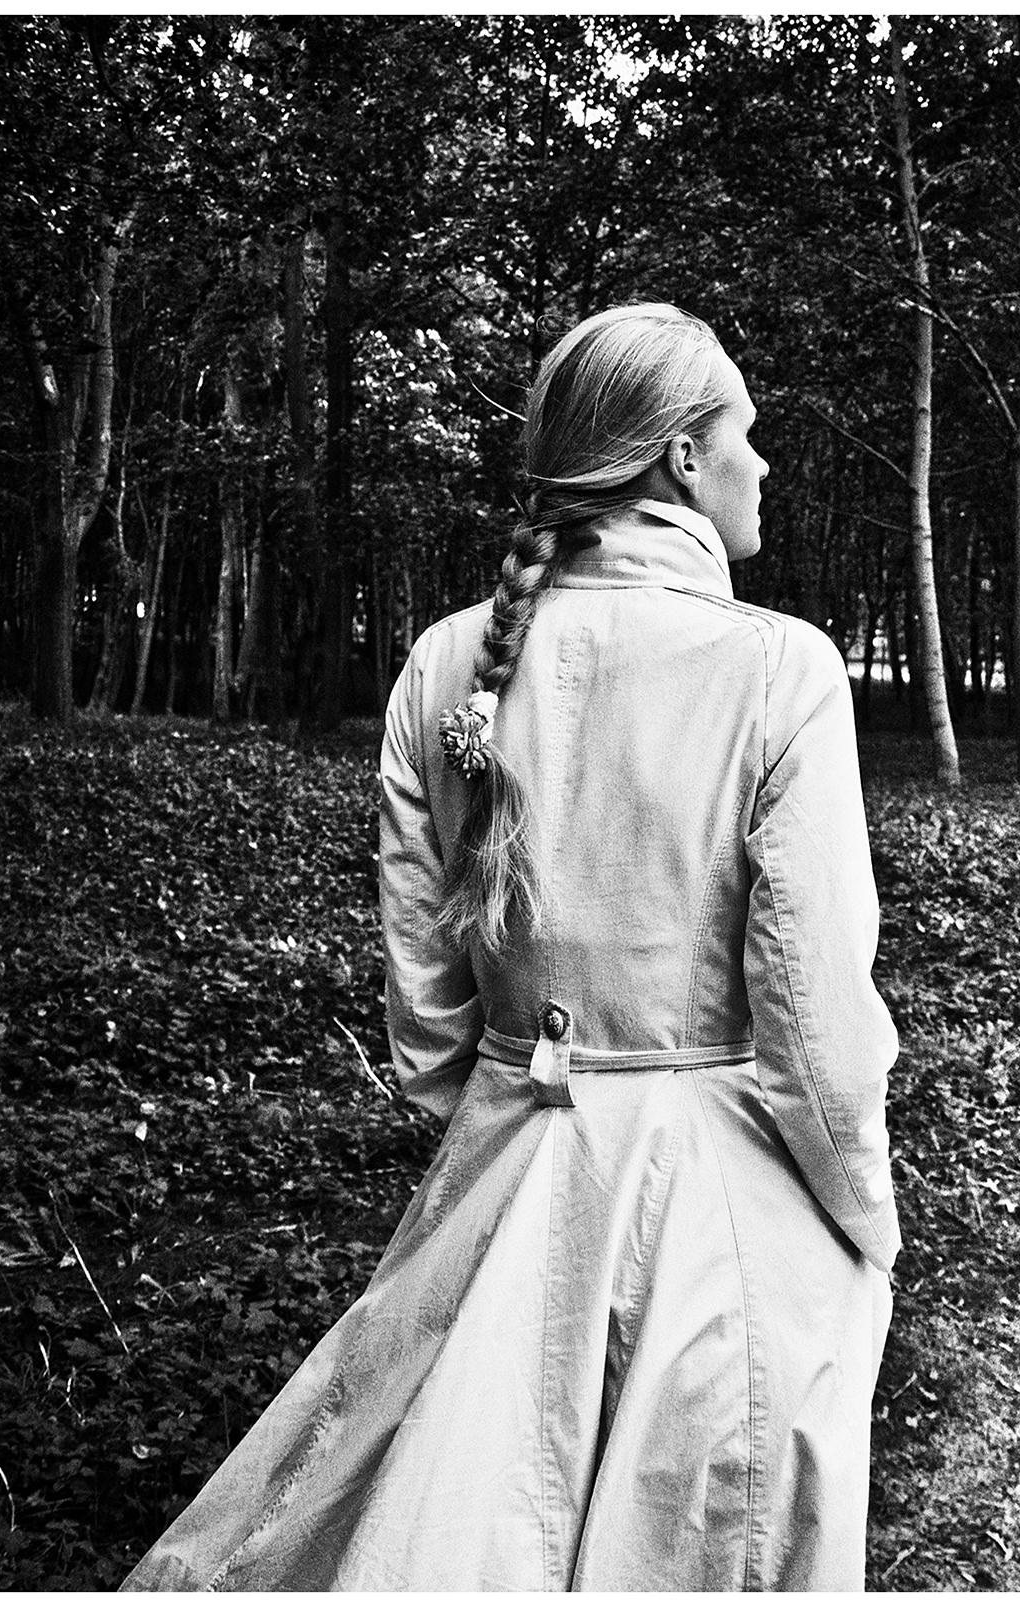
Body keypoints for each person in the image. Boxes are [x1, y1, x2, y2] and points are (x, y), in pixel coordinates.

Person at [124, 304, 901, 1591]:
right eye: (748, 435)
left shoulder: (444, 665)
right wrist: (862, 1213)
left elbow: (427, 997)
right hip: (722, 1209)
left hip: (501, 1161)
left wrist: (499, 1141)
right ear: (683, 460)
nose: (764, 465)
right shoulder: (780, 671)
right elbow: (814, 1024)